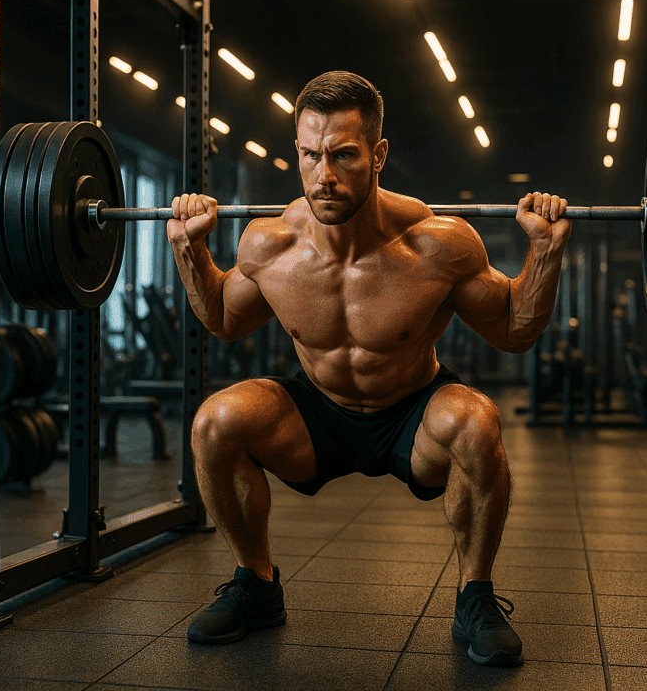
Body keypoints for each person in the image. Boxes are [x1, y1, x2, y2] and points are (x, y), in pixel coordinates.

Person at [167, 71, 570, 667]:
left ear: (378, 155)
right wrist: (188, 248)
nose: (323, 175)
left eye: (343, 156)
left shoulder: (438, 244)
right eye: (309, 155)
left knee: (478, 422)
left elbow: (513, 331)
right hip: (317, 413)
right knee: (214, 423)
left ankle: (475, 595)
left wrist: (545, 252)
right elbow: (225, 318)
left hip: (412, 412)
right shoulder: (269, 244)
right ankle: (256, 584)